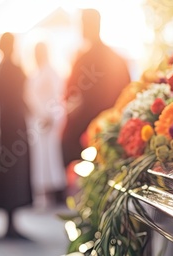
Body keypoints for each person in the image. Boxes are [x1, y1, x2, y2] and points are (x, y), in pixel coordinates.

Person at [62, 8, 131, 167]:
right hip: (115, 137)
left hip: (89, 138)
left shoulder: (83, 60)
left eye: (82, 24)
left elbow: (71, 97)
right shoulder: (117, 58)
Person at [0, 32, 33, 238]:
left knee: (12, 173)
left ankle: (11, 221)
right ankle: (10, 222)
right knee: (12, 174)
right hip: (12, 126)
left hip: (9, 126)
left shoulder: (0, 70)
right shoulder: (8, 69)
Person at [25, 42, 66, 208]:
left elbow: (57, 96)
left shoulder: (51, 72)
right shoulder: (36, 73)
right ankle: (41, 192)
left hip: (48, 120)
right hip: (37, 121)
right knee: (39, 157)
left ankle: (52, 191)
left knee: (49, 155)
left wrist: (50, 116)